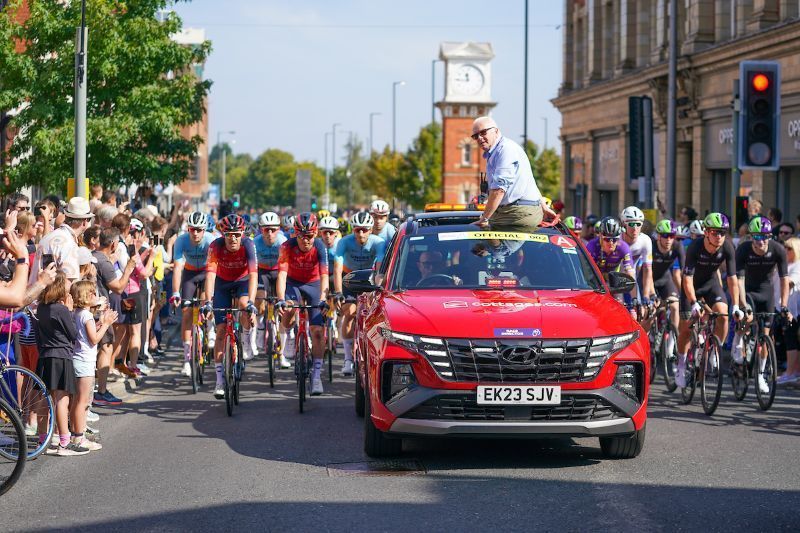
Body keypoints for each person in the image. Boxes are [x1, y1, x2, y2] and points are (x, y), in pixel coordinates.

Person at [676, 213, 742, 388]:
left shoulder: (727, 247)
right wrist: (693, 302)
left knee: (723, 315)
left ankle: (714, 351)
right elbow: (687, 279)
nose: (719, 236)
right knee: (686, 329)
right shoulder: (695, 247)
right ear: (706, 232)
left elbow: (732, 279)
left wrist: (736, 305)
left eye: (722, 232)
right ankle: (681, 365)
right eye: (715, 232)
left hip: (711, 285)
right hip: (691, 287)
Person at [201, 214, 258, 399]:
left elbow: (254, 275)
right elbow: (210, 275)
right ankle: (219, 380)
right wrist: (208, 302)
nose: (233, 238)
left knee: (244, 304)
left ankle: (246, 338)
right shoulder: (215, 246)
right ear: (223, 235)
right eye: (229, 235)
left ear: (242, 234)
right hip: (222, 284)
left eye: (236, 234)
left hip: (242, 281)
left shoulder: (248, 245)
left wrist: (251, 302)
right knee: (220, 330)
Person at [734, 216, 789, 393]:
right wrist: (743, 305)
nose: (761, 241)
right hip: (748, 291)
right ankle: (739, 340)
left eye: (765, 236)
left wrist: (784, 305)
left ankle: (760, 375)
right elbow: (739, 280)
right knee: (747, 319)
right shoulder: (743, 249)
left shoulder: (778, 249)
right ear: (751, 237)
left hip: (766, 293)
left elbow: (784, 279)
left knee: (766, 335)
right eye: (757, 237)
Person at [275, 213, 329, 395]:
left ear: (316, 234)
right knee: (289, 309)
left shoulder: (320, 247)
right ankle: (290, 336)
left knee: (318, 331)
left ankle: (316, 376)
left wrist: (323, 299)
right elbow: (282, 275)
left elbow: (324, 276)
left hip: (314, 284)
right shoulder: (286, 247)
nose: (305, 240)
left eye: (309, 236)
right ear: (295, 234)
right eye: (301, 236)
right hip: (293, 283)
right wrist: (281, 299)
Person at [470, 116, 555, 232]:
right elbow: (530, 182)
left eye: (483, 132)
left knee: (482, 237)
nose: (479, 138)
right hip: (517, 211)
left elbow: (499, 190)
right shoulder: (499, 151)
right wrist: (543, 206)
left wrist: (484, 219)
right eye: (475, 136)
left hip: (516, 213)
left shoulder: (505, 150)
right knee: (483, 239)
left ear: (496, 131)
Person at [36, 273, 88, 456]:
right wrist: (70, 311)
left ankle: (42, 440)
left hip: (44, 356)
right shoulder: (61, 309)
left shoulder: (41, 308)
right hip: (61, 356)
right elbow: (73, 334)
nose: (70, 286)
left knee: (44, 399)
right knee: (61, 400)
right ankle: (64, 443)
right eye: (67, 283)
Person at [332, 211, 385, 376]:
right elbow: (337, 269)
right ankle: (348, 359)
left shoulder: (379, 242)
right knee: (349, 312)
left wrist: (378, 288)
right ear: (352, 230)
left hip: (369, 279)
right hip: (349, 277)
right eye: (357, 230)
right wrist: (338, 292)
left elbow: (380, 270)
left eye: (364, 230)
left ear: (371, 230)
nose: (361, 233)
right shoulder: (344, 242)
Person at [70, 280, 117, 452]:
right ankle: (78, 436)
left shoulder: (78, 313)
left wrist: (100, 323)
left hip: (77, 359)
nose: (95, 296)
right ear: (86, 296)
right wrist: (106, 324)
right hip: (84, 362)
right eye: (92, 293)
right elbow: (94, 339)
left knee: (77, 401)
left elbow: (85, 333)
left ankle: (75, 434)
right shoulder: (87, 315)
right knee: (82, 402)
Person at [92, 228, 135, 405]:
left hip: (93, 308)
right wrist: (128, 270)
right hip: (100, 311)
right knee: (106, 346)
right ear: (113, 244)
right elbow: (118, 287)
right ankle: (101, 391)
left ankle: (95, 390)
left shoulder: (95, 256)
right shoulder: (104, 262)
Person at [170, 212, 215, 377]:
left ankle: (210, 328)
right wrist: (176, 292)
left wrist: (209, 297)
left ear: (204, 230)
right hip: (189, 274)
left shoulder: (210, 241)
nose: (195, 233)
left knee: (206, 301)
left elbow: (213, 271)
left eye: (199, 230)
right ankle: (186, 361)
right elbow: (177, 267)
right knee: (187, 313)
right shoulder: (181, 240)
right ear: (188, 229)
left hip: (207, 272)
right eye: (192, 229)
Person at [30, 196, 95, 283]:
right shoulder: (69, 244)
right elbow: (67, 283)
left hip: (37, 289)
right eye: (89, 219)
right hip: (51, 291)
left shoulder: (48, 237)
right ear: (84, 222)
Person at [254, 211, 289, 367]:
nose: (269, 233)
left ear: (278, 229)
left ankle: (282, 353)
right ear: (260, 230)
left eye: (273, 229)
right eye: (266, 229)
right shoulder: (255, 243)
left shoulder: (283, 242)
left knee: (283, 310)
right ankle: (261, 328)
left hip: (278, 272)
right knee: (260, 300)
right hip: (262, 272)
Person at [651, 219, 685, 358]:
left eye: (672, 236)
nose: (669, 239)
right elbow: (645, 272)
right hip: (649, 280)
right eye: (665, 236)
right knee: (651, 309)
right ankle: (649, 336)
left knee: (675, 306)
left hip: (665, 280)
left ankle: (671, 345)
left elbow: (684, 272)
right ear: (658, 236)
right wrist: (650, 294)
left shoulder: (677, 246)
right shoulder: (652, 246)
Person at [619, 206, 654, 307]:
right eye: (631, 224)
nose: (635, 229)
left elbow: (647, 269)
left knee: (638, 308)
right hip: (615, 279)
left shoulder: (645, 241)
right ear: (624, 225)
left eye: (638, 224)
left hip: (632, 279)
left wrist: (646, 296)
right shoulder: (617, 239)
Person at [779, 237, 800, 383]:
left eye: (789, 248)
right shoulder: (786, 264)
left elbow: (791, 282)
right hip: (782, 306)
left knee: (791, 340)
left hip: (793, 309)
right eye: (785, 247)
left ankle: (790, 372)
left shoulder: (797, 265)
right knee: (790, 340)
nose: (786, 250)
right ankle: (794, 371)